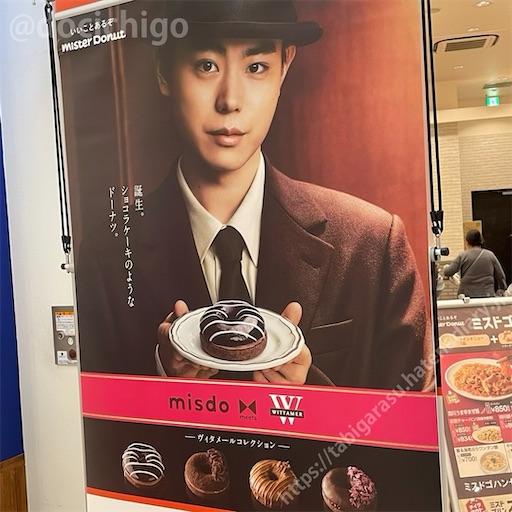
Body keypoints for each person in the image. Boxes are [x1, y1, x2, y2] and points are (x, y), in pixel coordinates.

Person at [76, 0, 434, 390]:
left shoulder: (373, 245)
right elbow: (89, 415)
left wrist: (309, 397)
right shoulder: (105, 256)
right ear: (163, 71)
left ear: (285, 66)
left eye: (256, 67)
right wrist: (163, 377)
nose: (230, 100)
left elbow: (408, 418)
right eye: (206, 65)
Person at [443, 229, 507, 298]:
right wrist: (501, 290)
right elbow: (501, 276)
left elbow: (448, 272)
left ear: (467, 242)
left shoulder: (463, 256)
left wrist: (445, 268)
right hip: (487, 295)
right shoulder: (490, 255)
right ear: (481, 241)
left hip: (467, 297)